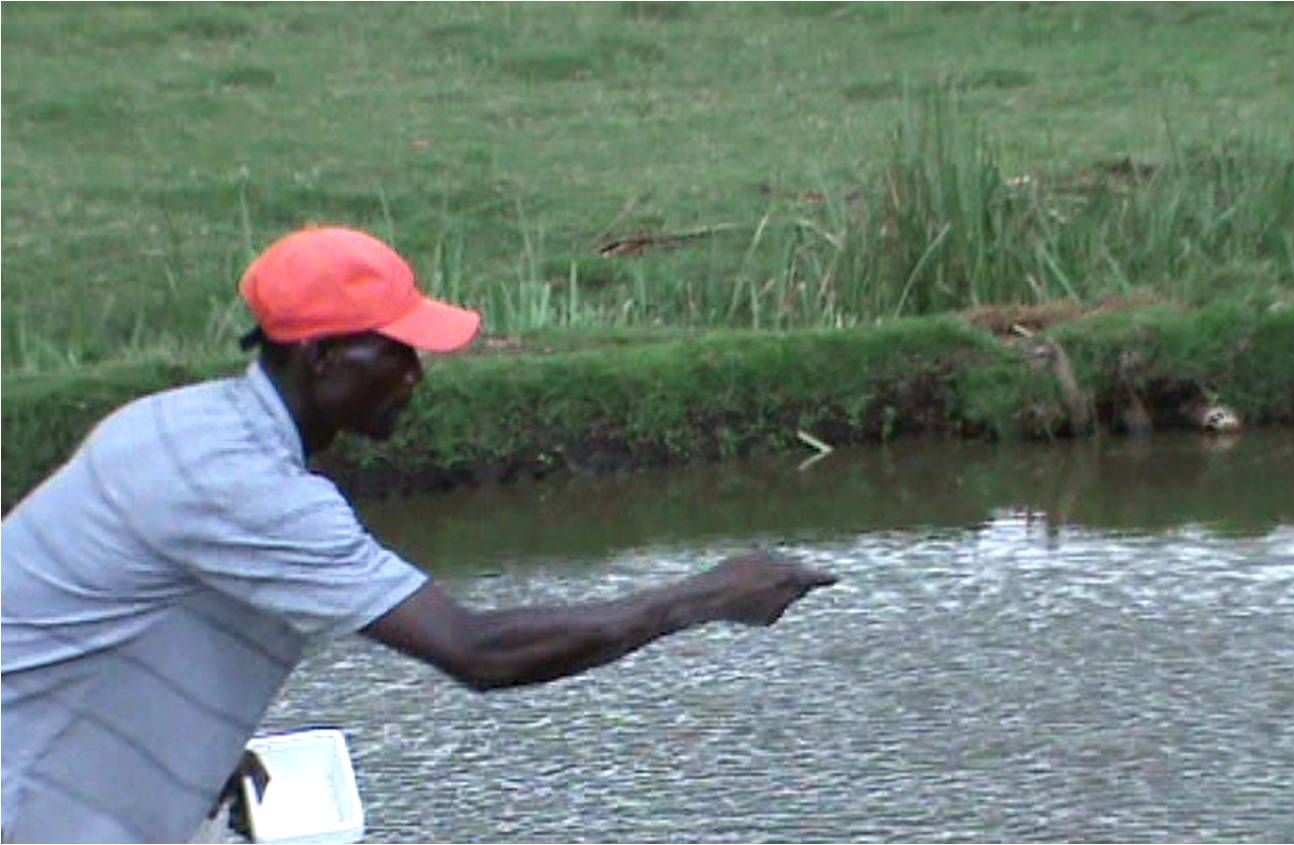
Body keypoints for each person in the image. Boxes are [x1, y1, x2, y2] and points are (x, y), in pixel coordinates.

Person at [0, 226, 837, 843]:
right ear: (321, 356)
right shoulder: (246, 487)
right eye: (394, 351)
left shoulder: (179, 427)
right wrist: (702, 597)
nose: (415, 374)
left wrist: (202, 746)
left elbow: (83, 620)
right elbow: (477, 651)